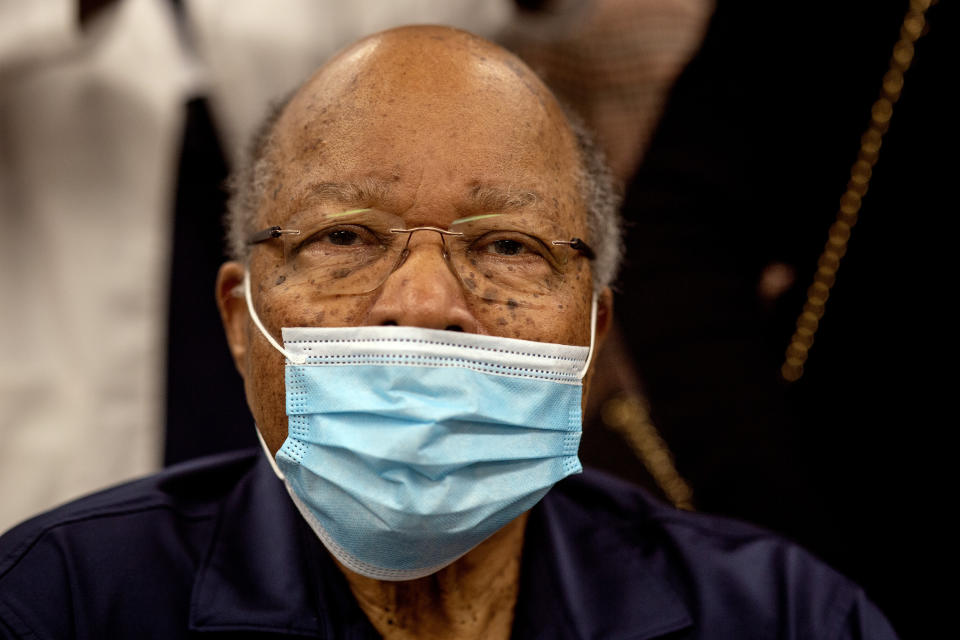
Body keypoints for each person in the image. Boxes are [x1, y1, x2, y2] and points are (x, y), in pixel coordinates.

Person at [0, 26, 898, 639]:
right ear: (240, 321)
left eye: (508, 245)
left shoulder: (782, 615)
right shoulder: (58, 601)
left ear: (593, 334)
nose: (427, 302)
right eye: (345, 236)